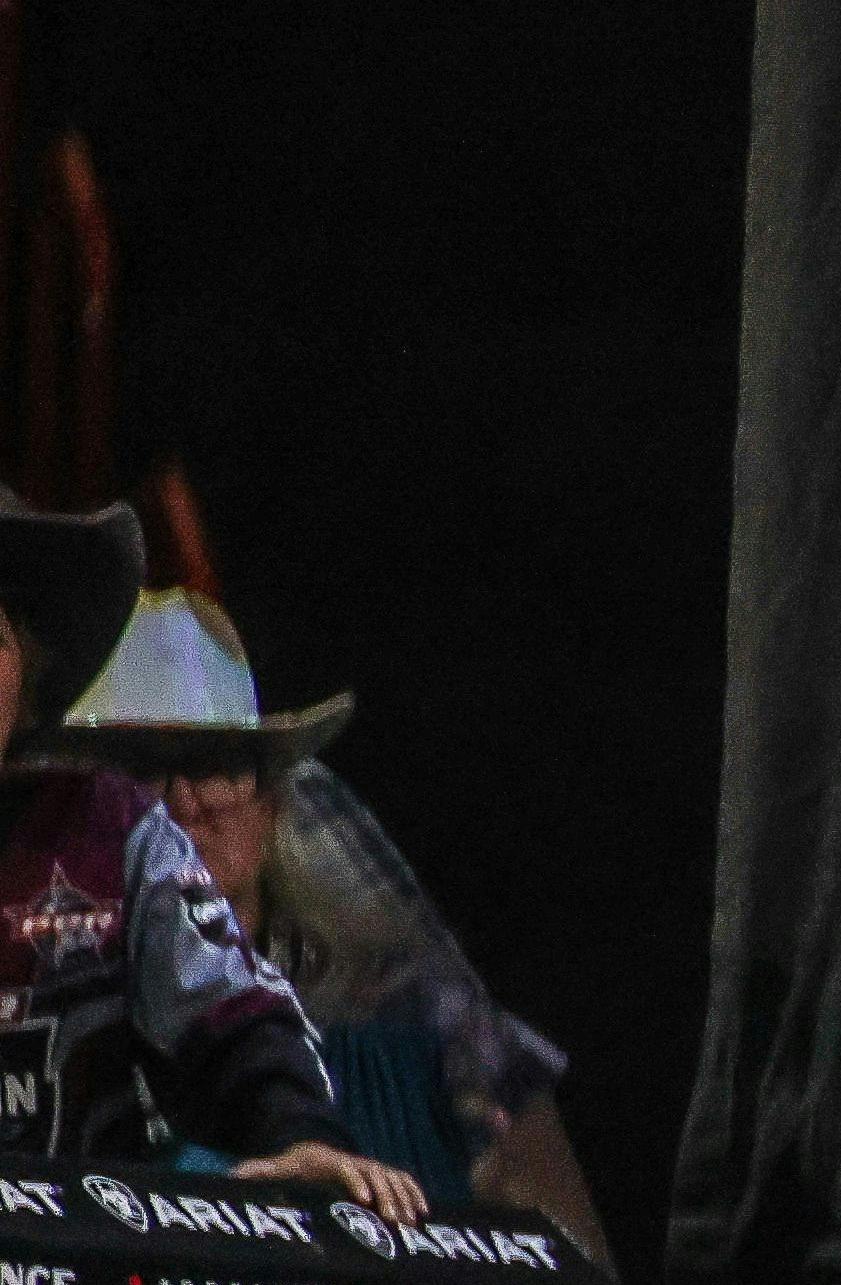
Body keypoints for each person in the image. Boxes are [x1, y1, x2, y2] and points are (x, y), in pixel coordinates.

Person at [49, 593, 581, 1230]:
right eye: (144, 773)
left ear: (271, 800)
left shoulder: (407, 1027)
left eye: (215, 765)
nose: (183, 804)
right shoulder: (58, 1028)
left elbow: (566, 1243)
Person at [0, 502, 407, 1213]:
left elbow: (228, 1009)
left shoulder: (107, 829)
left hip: (79, 1264)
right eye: (154, 770)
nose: (188, 801)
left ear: (27, 670)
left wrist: (297, 1131)